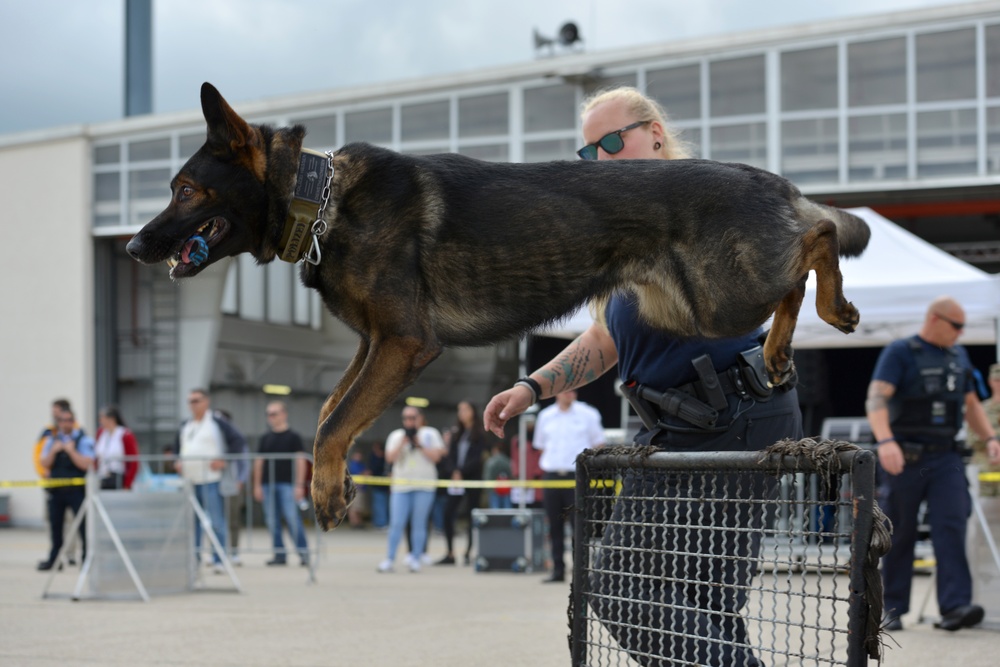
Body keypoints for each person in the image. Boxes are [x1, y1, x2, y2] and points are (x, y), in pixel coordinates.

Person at [484, 86, 803, 665]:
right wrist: (532, 386)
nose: (599, 161)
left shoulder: (704, 199)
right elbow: (607, 336)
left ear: (655, 133)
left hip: (730, 414)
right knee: (696, 606)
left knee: (618, 587)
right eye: (588, 152)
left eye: (611, 142)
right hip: (683, 427)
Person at [866, 296, 1000, 632]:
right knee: (899, 533)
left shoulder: (959, 355)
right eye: (956, 326)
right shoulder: (901, 351)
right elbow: (877, 398)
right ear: (935, 319)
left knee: (951, 526)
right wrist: (885, 441)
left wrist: (990, 438)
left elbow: (971, 404)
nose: (961, 333)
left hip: (946, 457)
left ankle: (955, 607)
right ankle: (892, 609)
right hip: (905, 457)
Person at [532, 390, 605, 582]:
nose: (568, 394)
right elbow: (540, 446)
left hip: (577, 475)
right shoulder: (545, 416)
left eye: (572, 389)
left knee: (579, 526)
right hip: (553, 475)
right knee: (554, 526)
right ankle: (557, 570)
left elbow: (599, 443)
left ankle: (580, 572)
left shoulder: (588, 414)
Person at [173, 388, 246, 572]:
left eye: (197, 400)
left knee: (216, 521)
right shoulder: (186, 424)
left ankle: (219, 558)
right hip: (190, 480)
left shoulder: (217, 422)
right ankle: (194, 559)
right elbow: (177, 446)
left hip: (211, 480)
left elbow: (238, 441)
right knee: (193, 522)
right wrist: (177, 461)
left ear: (206, 401)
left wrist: (224, 459)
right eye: (190, 401)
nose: (193, 404)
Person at [378, 406, 445, 573]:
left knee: (419, 523)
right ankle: (389, 558)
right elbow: (389, 459)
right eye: (406, 417)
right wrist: (402, 444)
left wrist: (420, 445)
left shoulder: (430, 434)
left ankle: (416, 557)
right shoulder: (396, 436)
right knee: (396, 523)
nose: (409, 421)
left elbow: (437, 457)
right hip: (401, 486)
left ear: (419, 418)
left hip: (424, 485)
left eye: (413, 417)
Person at [253, 400, 310, 566]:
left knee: (292, 519)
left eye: (274, 413)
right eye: (268, 414)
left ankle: (303, 553)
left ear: (284, 414)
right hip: (267, 485)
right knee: (272, 521)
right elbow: (259, 462)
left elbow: (300, 461)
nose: (271, 417)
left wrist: (299, 484)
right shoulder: (265, 438)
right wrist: (257, 485)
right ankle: (279, 555)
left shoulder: (294, 437)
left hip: (287, 485)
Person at [37, 408, 95, 571]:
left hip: (76, 491)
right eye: (62, 420)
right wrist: (54, 452)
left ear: (73, 421)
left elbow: (87, 463)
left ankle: (85, 559)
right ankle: (54, 560)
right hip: (56, 491)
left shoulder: (83, 440)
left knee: (83, 527)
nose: (65, 423)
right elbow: (44, 463)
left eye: (69, 420)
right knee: (56, 527)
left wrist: (71, 451)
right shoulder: (52, 440)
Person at [436, 400, 488, 566]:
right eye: (460, 410)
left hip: (472, 478)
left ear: (473, 411)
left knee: (471, 515)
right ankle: (450, 552)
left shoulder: (479, 432)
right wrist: (454, 471)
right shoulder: (456, 432)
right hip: (456, 479)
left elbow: (477, 458)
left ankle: (468, 551)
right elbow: (449, 455)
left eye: (465, 409)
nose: (462, 413)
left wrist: (462, 471)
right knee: (447, 513)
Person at [966, 362, 1000, 496]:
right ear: (990, 382)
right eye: (997, 380)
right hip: (985, 472)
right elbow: (971, 439)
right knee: (984, 514)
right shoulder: (980, 410)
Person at [94, 405, 139, 490]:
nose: (100, 421)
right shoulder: (101, 433)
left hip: (118, 478)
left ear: (111, 419)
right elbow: (97, 455)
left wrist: (127, 484)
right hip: (103, 477)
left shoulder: (125, 434)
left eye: (102, 417)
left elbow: (133, 461)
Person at [483, 440, 513, 509]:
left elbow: (487, 476)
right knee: (507, 510)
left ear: (495, 450)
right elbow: (512, 474)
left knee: (495, 511)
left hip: (494, 490)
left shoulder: (490, 462)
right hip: (506, 489)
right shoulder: (508, 461)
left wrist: (489, 489)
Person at [367, 441, 390, 529]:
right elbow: (371, 470)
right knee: (378, 505)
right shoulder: (373, 457)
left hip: (385, 486)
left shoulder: (387, 457)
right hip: (376, 486)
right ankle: (380, 523)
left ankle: (382, 523)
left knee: (384, 505)